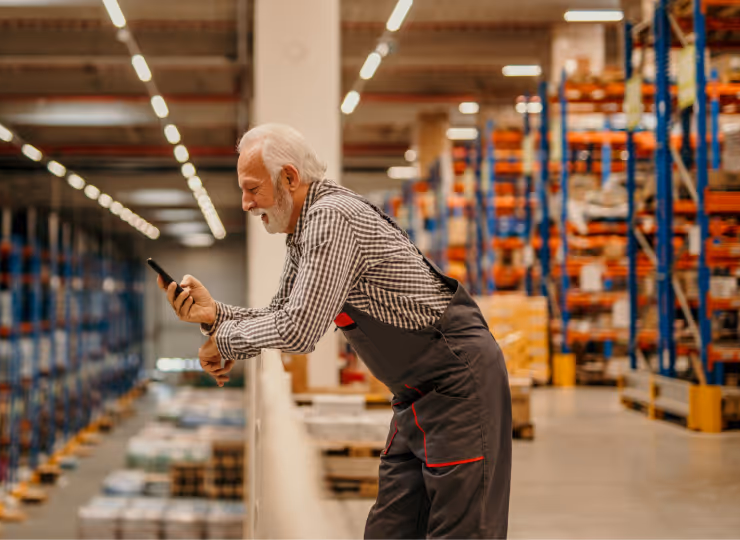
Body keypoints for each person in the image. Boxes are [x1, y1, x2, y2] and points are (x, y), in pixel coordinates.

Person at [156, 123, 511, 539]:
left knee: (463, 531)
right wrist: (215, 316)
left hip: (458, 387)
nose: (246, 203)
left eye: (252, 189)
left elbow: (299, 330)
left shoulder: (331, 217)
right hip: (417, 397)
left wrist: (225, 342)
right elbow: (281, 313)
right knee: (390, 530)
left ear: (289, 178)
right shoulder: (304, 227)